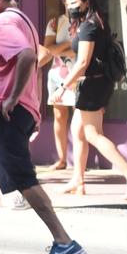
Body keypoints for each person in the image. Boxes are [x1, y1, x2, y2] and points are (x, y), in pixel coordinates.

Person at [0, 0, 85, 254]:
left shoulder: (6, 22)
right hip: (4, 113)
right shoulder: (10, 19)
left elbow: (29, 55)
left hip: (4, 113)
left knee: (22, 178)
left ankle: (63, 241)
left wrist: (10, 97)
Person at [59, 0, 127, 197]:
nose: (71, 8)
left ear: (86, 2)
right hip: (95, 83)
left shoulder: (89, 26)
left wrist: (63, 86)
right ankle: (78, 180)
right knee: (77, 131)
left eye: (75, 3)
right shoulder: (94, 22)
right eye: (67, 4)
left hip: (92, 85)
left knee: (92, 134)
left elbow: (83, 61)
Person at [38, 12, 80, 172]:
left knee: (79, 119)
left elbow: (78, 51)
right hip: (57, 74)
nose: (71, 6)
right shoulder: (55, 23)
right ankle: (62, 159)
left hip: (78, 73)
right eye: (68, 1)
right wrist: (67, 45)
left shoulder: (85, 22)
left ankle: (78, 161)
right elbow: (48, 49)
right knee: (59, 116)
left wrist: (58, 48)